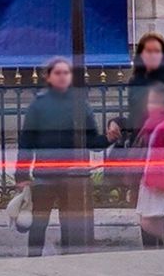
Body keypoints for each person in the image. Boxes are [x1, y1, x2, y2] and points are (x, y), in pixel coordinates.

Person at [15, 58, 106, 253]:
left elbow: (92, 141)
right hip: (44, 175)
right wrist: (21, 175)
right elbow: (26, 143)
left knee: (70, 225)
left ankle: (67, 264)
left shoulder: (80, 105)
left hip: (71, 176)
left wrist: (109, 138)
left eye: (66, 73)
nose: (62, 77)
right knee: (38, 224)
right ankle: (34, 261)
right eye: (58, 73)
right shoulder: (38, 106)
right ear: (48, 76)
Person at [123, 32, 164, 247]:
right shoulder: (135, 82)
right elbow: (133, 118)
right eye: (147, 51)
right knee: (144, 205)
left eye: (156, 51)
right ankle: (149, 249)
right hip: (142, 146)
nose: (152, 55)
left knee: (160, 207)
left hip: (162, 146)